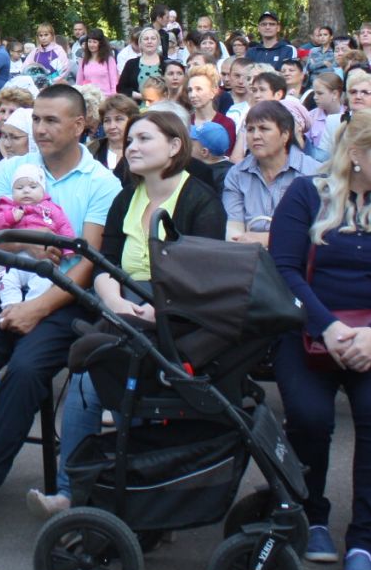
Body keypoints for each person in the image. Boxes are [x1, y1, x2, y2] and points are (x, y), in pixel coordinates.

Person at [0, 83, 122, 533]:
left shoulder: (102, 183)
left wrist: (38, 309)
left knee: (28, 374)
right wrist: (25, 250)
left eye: (52, 120)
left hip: (62, 299)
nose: (41, 128)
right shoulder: (9, 168)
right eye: (36, 119)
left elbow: (87, 263)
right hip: (4, 286)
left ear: (80, 125)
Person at [28, 109, 226, 514]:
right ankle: (73, 492)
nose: (131, 147)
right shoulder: (126, 197)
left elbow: (203, 274)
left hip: (174, 312)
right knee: (86, 384)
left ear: (174, 146)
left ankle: (137, 491)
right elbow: (106, 262)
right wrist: (116, 303)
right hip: (123, 303)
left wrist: (155, 309)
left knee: (131, 384)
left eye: (143, 140)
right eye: (130, 140)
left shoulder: (199, 200)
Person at [269, 109, 371, 570]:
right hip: (308, 328)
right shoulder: (305, 194)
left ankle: (364, 542)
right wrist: (329, 327)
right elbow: (283, 270)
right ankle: (311, 515)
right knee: (309, 417)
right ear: (355, 155)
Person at [223, 100, 319, 245]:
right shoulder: (236, 175)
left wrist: (267, 239)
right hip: (249, 258)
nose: (255, 136)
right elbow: (234, 232)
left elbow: (318, 232)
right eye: (250, 129)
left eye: (264, 129)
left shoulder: (314, 172)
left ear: (285, 135)